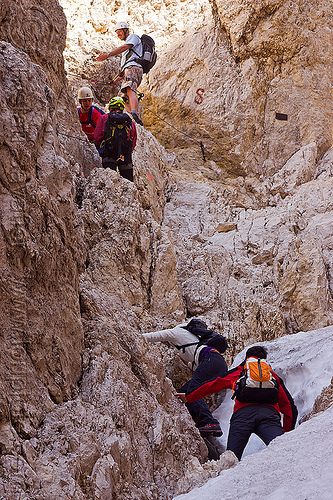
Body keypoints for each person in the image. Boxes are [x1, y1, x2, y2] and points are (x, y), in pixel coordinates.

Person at [176, 345, 298, 460]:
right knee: (282, 452)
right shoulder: (272, 376)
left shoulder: (240, 371)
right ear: (264, 360)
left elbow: (214, 384)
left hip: (242, 417)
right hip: (269, 417)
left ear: (247, 358)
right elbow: (289, 407)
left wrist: (189, 397)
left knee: (231, 459)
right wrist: (286, 434)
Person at [143, 318, 228, 437]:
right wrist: (186, 362)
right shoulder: (193, 341)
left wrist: (136, 337)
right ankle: (200, 422)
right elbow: (198, 366)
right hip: (218, 364)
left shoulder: (176, 332)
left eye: (165, 342)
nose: (165, 344)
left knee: (191, 391)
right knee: (184, 392)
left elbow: (155, 336)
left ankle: (209, 422)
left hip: (211, 360)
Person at [96, 21, 143, 126]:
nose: (118, 35)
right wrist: (114, 81)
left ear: (126, 30)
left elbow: (123, 47)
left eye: (120, 32)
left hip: (133, 68)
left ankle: (134, 113)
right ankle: (132, 117)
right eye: (117, 33)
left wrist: (108, 55)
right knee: (121, 98)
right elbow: (123, 72)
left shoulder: (133, 37)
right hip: (129, 69)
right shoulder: (127, 53)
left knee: (130, 89)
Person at [94, 97, 137, 182]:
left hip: (109, 153)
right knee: (128, 184)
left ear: (110, 107)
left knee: (109, 181)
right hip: (125, 156)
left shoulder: (104, 118)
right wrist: (128, 150)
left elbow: (97, 137)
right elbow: (133, 138)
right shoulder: (129, 121)